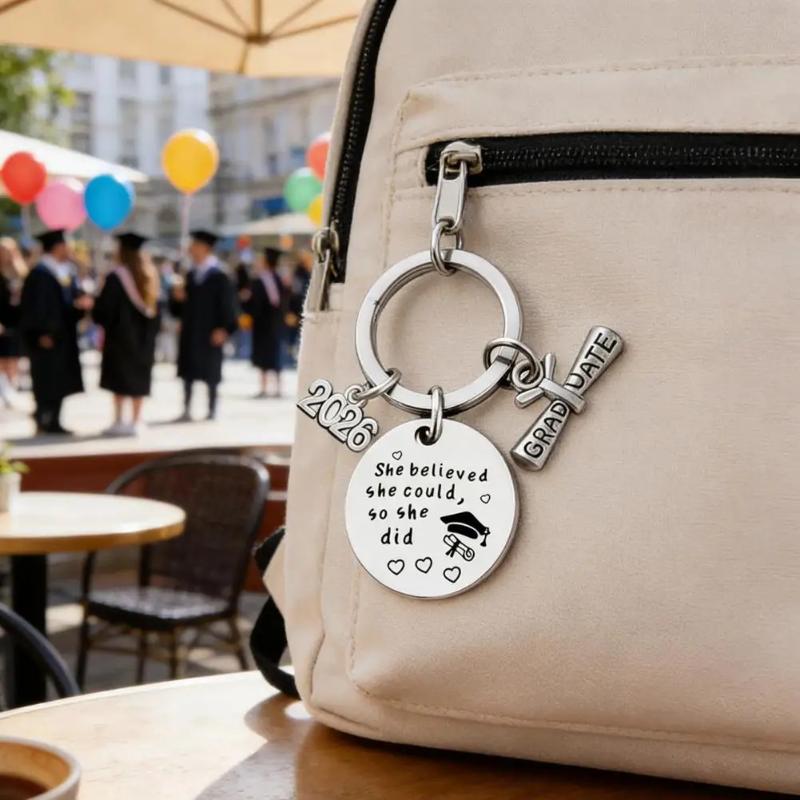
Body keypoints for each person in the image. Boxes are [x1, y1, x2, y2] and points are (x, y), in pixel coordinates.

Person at [18, 230, 92, 434]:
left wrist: (79, 307)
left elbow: (68, 304)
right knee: (46, 378)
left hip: (63, 336)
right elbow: (33, 308)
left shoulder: (65, 272)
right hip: (46, 338)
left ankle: (54, 420)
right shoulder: (39, 274)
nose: (69, 249)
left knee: (60, 379)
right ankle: (44, 418)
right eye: (66, 245)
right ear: (57, 247)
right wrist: (40, 334)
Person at [92, 232, 160, 436]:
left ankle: (118, 419)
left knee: (119, 379)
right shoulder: (150, 275)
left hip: (119, 339)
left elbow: (105, 310)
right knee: (139, 377)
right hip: (144, 339)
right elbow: (157, 311)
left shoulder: (116, 277)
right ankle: (136, 420)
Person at [170, 229, 237, 421]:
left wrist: (224, 329)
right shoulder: (189, 275)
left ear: (205, 248)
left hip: (211, 332)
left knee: (211, 371)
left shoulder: (220, 275)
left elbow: (229, 306)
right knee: (188, 370)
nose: (191, 249)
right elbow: (178, 310)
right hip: (191, 331)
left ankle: (212, 408)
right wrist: (177, 298)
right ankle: (186, 408)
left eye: (195, 245)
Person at [243, 247, 288, 398]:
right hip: (267, 324)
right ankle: (268, 388)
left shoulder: (272, 279)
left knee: (273, 356)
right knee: (266, 356)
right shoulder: (265, 279)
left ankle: (273, 388)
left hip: (270, 323)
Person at [0, 237, 26, 407]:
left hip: (16, 320)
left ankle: (11, 387)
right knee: (2, 357)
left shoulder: (19, 272)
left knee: (14, 357)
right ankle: (4, 389)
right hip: (2, 320)